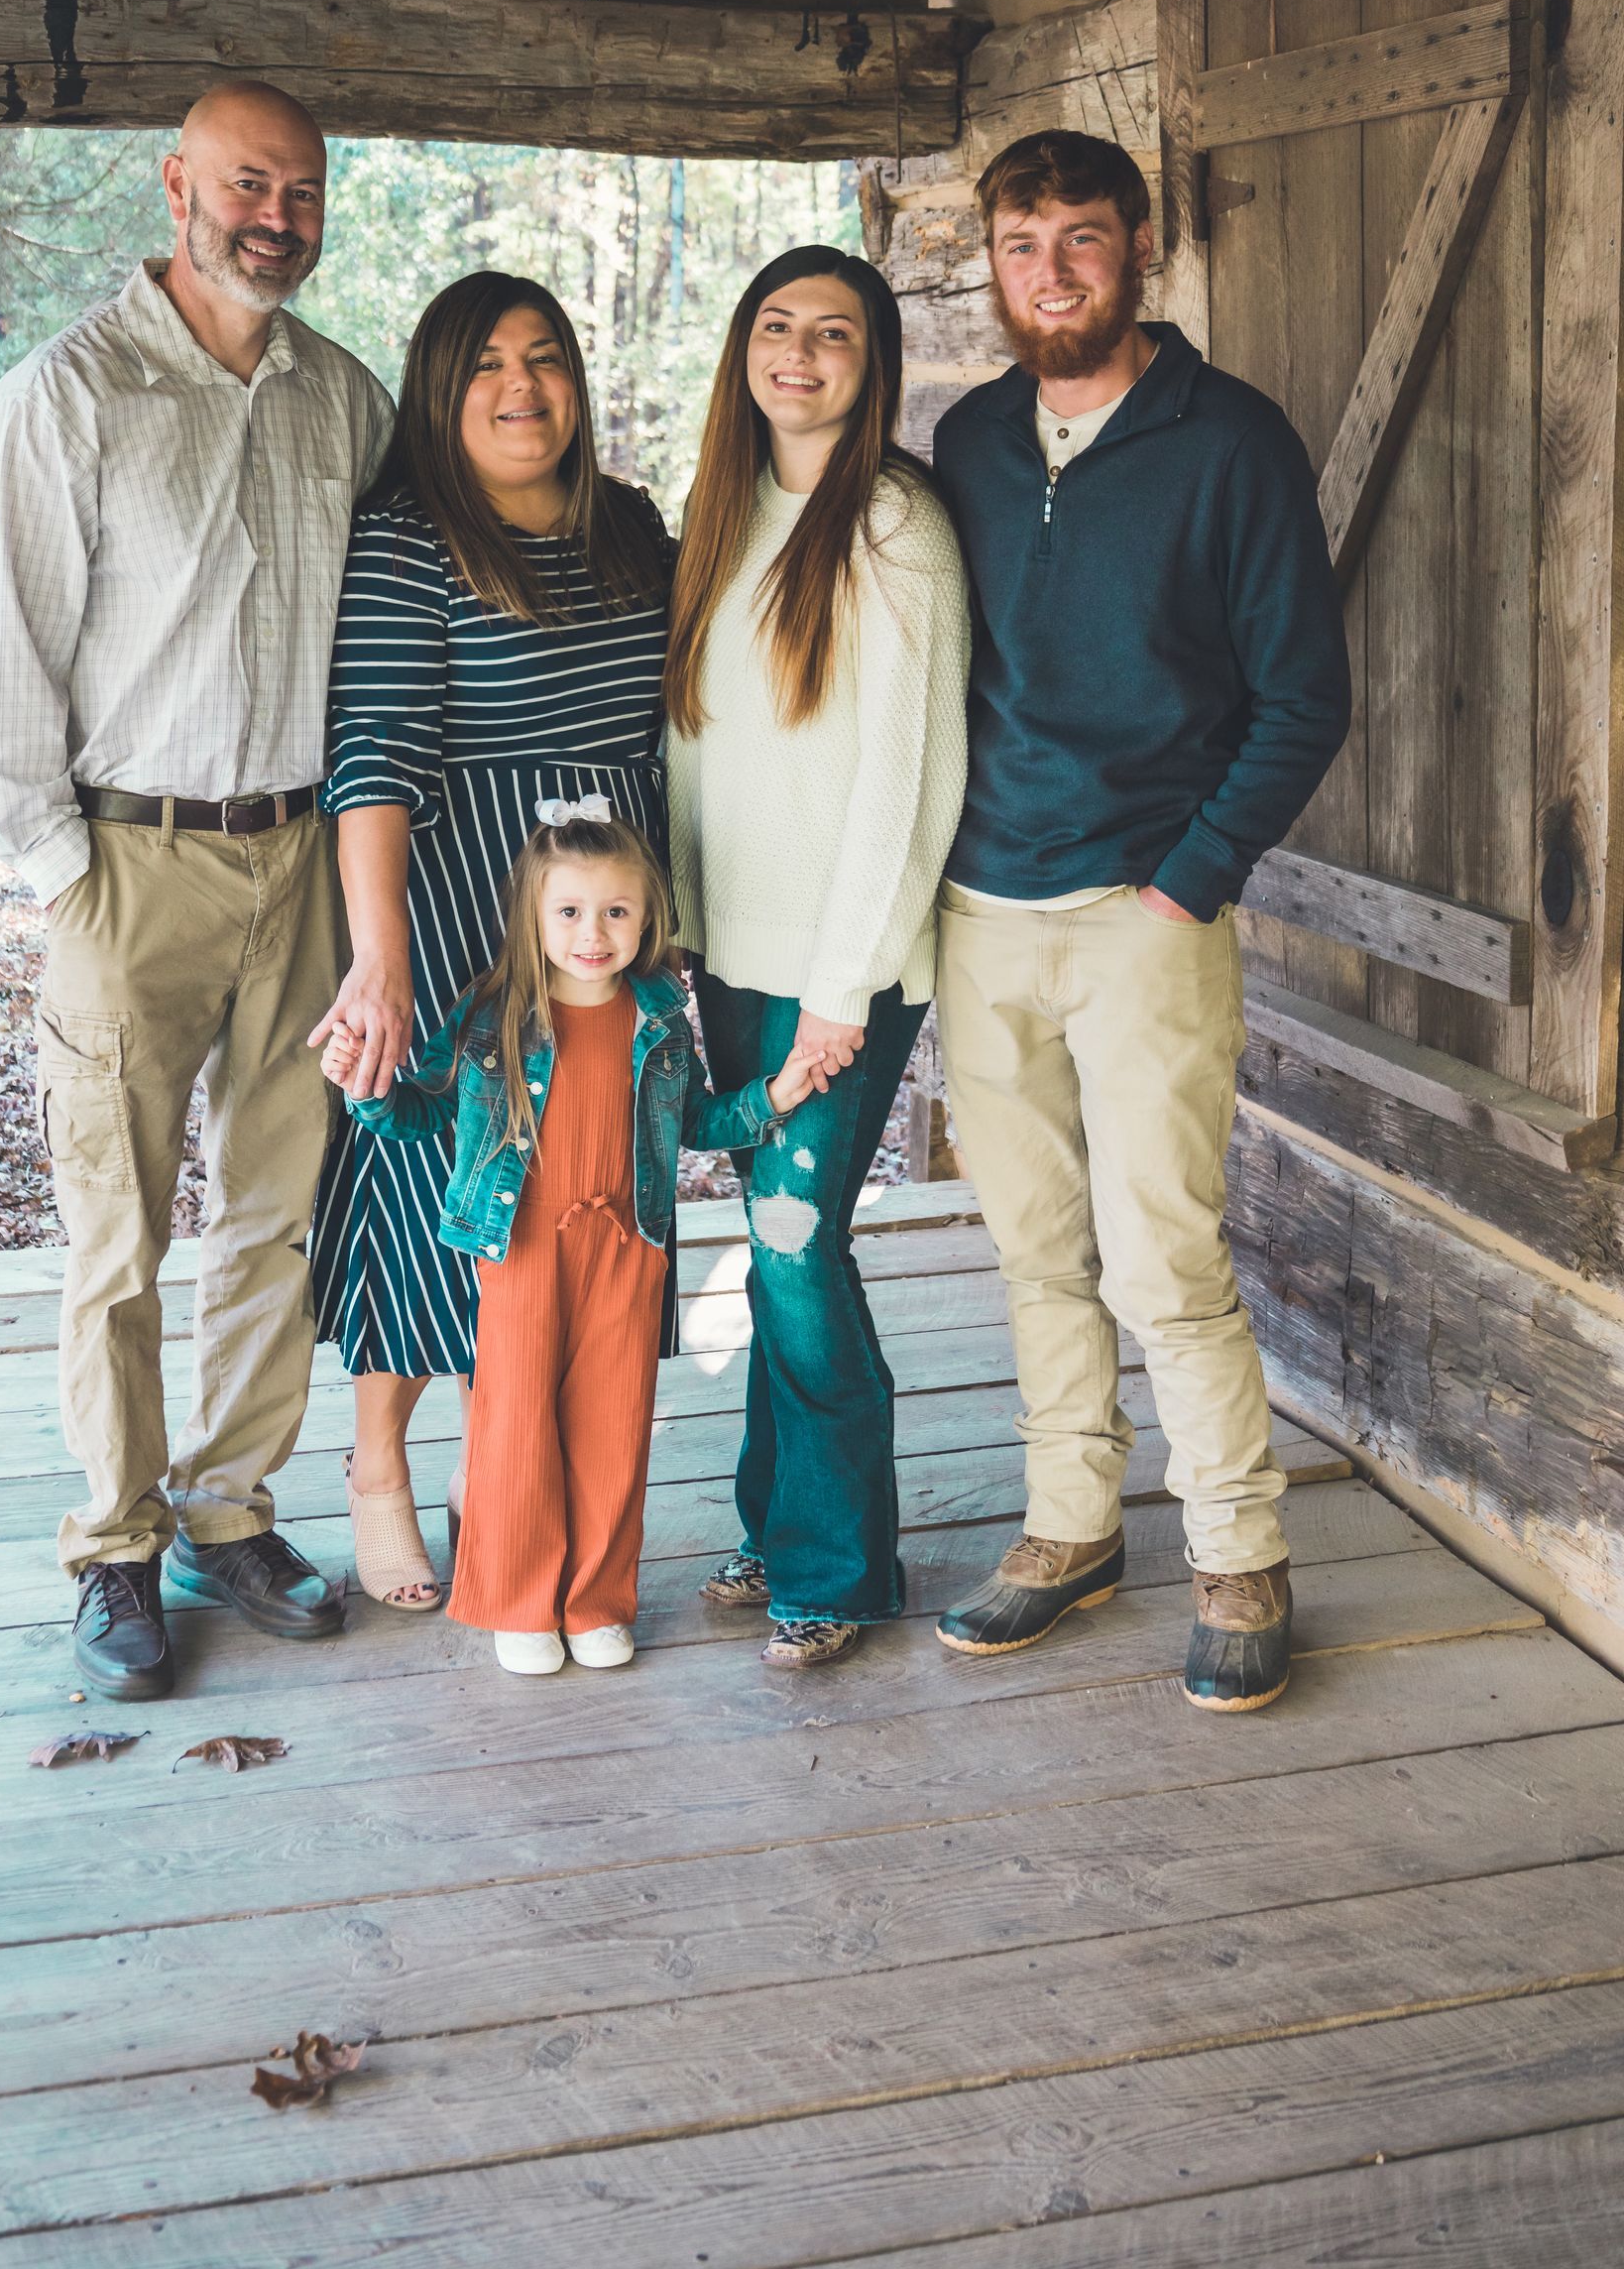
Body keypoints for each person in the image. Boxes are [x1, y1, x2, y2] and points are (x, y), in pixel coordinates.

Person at [0, 82, 394, 1701]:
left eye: (305, 188)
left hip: (307, 865)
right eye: (248, 182)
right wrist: (74, 885)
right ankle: (119, 1545)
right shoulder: (65, 398)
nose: (278, 213)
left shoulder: (344, 400)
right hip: (127, 868)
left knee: (275, 1219)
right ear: (177, 186)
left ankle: (228, 1507)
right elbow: (0, 674)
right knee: (118, 1236)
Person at [928, 128, 1351, 1712]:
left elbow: (1306, 694)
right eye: (1024, 243)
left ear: (1143, 243)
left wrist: (1195, 874)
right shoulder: (966, 443)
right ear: (991, 258)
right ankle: (1069, 1525)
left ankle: (1239, 1548)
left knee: (1164, 1253)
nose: (1053, 273)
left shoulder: (1229, 440)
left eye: (1083, 240)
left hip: (1143, 910)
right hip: (981, 907)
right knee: (1036, 1245)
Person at [308, 273, 673, 1612]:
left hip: (607, 919)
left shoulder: (628, 524)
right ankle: (379, 1465)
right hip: (468, 910)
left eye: (546, 359)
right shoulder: (410, 540)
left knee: (565, 1201)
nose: (522, 389)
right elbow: (374, 762)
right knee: (435, 1193)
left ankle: (502, 1453)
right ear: (440, 393)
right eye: (487, 369)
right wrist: (379, 952)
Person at [665, 245, 971, 1668]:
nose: (799, 352)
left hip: (840, 969)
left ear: (874, 361)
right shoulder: (722, 513)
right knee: (771, 1243)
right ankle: (773, 1519)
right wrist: (671, 925)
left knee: (796, 1246)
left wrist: (842, 995)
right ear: (745, 351)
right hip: (730, 954)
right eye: (776, 327)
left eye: (832, 331)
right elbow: (692, 744)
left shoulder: (897, 526)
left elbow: (909, 783)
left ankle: (840, 1565)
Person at [322, 806, 825, 1673]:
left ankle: (593, 1601)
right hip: (521, 1250)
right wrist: (364, 1091)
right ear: (534, 916)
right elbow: (423, 1116)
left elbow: (699, 1118)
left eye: (617, 912)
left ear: (647, 916)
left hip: (626, 1247)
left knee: (612, 1426)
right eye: (570, 912)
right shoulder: (494, 1015)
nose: (594, 933)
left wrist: (773, 1096)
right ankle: (521, 1603)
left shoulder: (659, 1016)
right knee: (514, 1424)